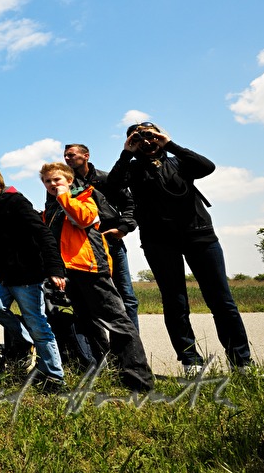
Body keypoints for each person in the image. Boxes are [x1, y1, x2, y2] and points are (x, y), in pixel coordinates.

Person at [108, 122, 252, 373]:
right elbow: (111, 187)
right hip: (159, 241)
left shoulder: (179, 162)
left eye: (151, 136)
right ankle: (190, 361)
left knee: (221, 300)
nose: (146, 141)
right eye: (139, 137)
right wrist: (126, 152)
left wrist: (169, 143)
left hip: (199, 235)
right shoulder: (131, 168)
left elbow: (208, 167)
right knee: (175, 302)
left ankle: (241, 362)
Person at [41, 162, 153, 392]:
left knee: (118, 322)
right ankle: (105, 371)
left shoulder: (85, 196)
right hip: (69, 271)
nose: (53, 185)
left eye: (57, 180)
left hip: (91, 268)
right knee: (87, 324)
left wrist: (65, 197)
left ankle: (139, 381)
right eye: (48, 181)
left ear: (69, 181)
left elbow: (83, 219)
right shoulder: (52, 207)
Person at [0, 164, 67, 391]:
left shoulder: (17, 202)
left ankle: (55, 377)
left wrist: (55, 269)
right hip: (2, 273)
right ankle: (25, 341)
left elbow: (43, 234)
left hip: (27, 273)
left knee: (38, 324)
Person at [63, 143, 140, 329]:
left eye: (71, 155)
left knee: (126, 295)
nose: (67, 159)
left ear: (86, 155)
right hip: (83, 247)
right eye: (65, 156)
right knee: (90, 298)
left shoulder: (106, 179)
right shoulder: (64, 184)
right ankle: (100, 352)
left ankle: (130, 350)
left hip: (111, 240)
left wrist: (123, 228)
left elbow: (131, 204)